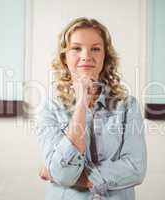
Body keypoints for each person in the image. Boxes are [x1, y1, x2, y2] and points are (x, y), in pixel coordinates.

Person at [36, 17, 147, 200]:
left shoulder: (127, 106)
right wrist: (81, 104)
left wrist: (74, 177)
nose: (86, 55)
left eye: (95, 48)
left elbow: (136, 169)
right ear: (65, 57)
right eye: (76, 48)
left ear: (105, 56)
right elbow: (62, 174)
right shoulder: (50, 108)